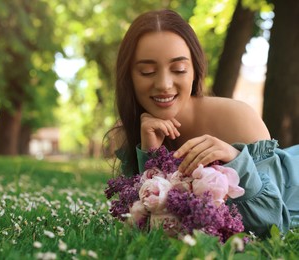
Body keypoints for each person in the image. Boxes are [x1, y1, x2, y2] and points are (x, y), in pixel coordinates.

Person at [107, 9, 299, 237]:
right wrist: (151, 155)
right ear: (129, 77)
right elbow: (146, 225)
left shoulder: (235, 118)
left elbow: (274, 225)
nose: (164, 84)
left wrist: (236, 160)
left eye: (178, 69)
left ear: (195, 71)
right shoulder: (133, 131)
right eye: (147, 72)